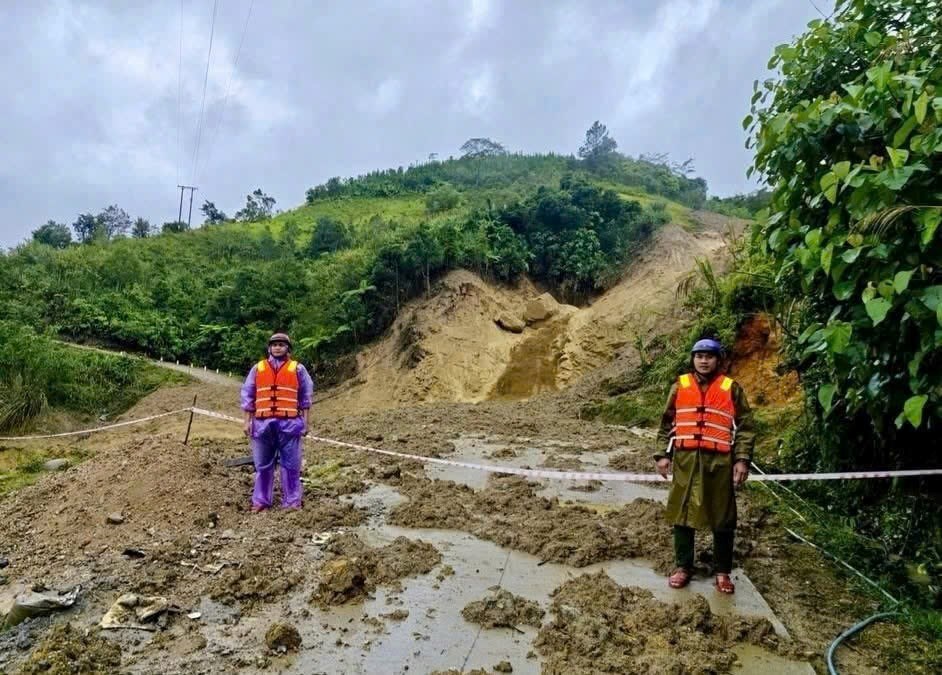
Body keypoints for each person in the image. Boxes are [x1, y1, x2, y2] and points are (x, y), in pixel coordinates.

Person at [653, 337, 754, 594]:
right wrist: (662, 455)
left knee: (723, 516)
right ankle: (683, 567)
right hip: (686, 460)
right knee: (682, 513)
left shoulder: (731, 388)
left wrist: (741, 459)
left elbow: (746, 426)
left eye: (709, 356)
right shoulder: (680, 386)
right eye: (699, 356)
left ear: (718, 360)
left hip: (719, 462)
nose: (704, 360)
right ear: (693, 359)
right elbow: (667, 423)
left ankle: (722, 572)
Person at [240, 333, 314, 512]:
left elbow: (305, 397)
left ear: (288, 348)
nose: (277, 347)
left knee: (291, 465)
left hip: (289, 424)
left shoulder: (298, 369)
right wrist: (246, 422)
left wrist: (306, 422)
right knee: (262, 465)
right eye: (274, 345)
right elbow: (248, 395)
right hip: (262, 424)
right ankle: (261, 501)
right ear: (269, 348)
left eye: (281, 344)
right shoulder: (258, 368)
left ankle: (292, 501)